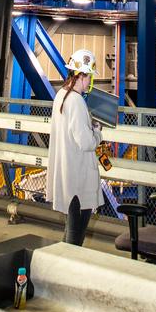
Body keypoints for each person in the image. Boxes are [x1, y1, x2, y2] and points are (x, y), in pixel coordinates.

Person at [46, 48, 102, 246]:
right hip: (78, 179)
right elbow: (86, 142)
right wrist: (97, 132)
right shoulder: (76, 100)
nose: (89, 83)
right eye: (89, 78)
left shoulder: (61, 96)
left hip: (66, 175)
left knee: (70, 233)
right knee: (74, 240)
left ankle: (59, 269)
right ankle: (63, 274)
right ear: (82, 75)